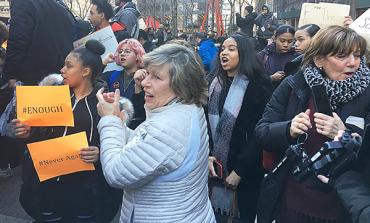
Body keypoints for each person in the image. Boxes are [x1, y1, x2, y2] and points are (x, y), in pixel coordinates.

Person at [255, 25, 370, 223]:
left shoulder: (367, 92)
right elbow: (262, 131)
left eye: (357, 55)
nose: (353, 63)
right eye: (342, 56)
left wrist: (345, 134)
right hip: (292, 204)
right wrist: (288, 129)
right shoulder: (294, 85)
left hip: (346, 207)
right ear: (319, 60)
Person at [96, 43, 216, 222]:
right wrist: (120, 121)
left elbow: (116, 172)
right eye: (147, 73)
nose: (144, 82)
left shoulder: (167, 127)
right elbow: (145, 148)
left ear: (181, 84)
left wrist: (109, 120)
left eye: (156, 77)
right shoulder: (187, 107)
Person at [10, 40, 121, 222]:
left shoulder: (105, 102)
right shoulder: (52, 95)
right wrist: (26, 132)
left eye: (68, 66)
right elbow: (38, 133)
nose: (62, 69)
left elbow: (116, 139)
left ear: (85, 71)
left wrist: (99, 151)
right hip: (48, 182)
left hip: (85, 186)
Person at [207, 34, 272, 223]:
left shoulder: (259, 85)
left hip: (247, 170)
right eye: (223, 49)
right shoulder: (214, 82)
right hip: (215, 169)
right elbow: (208, 126)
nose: (224, 53)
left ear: (243, 53)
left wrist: (239, 171)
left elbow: (259, 134)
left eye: (231, 49)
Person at [4, 0, 75, 86]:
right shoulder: (61, 7)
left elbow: (18, 39)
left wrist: (11, 73)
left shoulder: (22, 2)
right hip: (58, 76)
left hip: (31, 76)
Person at [101, 38, 146, 129]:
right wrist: (104, 62)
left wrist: (138, 87)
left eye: (127, 51)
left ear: (137, 56)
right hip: (114, 126)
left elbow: (142, 110)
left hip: (136, 129)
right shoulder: (113, 75)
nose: (122, 54)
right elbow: (92, 79)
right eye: (120, 51)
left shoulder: (146, 77)